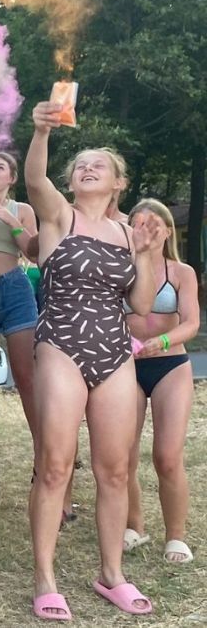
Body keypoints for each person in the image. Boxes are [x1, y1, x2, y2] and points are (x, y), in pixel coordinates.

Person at [23, 98, 162, 620]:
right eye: (80, 164)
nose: (87, 168)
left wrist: (146, 254)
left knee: (115, 468)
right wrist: (41, 133)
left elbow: (141, 306)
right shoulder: (60, 215)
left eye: (98, 165)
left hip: (113, 349)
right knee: (56, 465)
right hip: (60, 342)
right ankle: (45, 577)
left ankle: (112, 574)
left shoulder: (129, 233)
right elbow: (34, 180)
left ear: (118, 182)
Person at [124, 198, 199, 564]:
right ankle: (134, 526)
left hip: (170, 365)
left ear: (167, 231)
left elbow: (192, 323)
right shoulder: (120, 267)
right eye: (138, 222)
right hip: (126, 367)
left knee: (167, 457)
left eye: (153, 223)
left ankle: (176, 536)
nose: (146, 228)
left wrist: (164, 341)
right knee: (123, 456)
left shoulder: (181, 272)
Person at [0, 151, 39, 494]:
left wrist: (8, 217)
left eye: (0, 167)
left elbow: (33, 251)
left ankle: (43, 456)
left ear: (12, 177)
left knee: (27, 378)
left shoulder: (21, 209)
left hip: (15, 289)